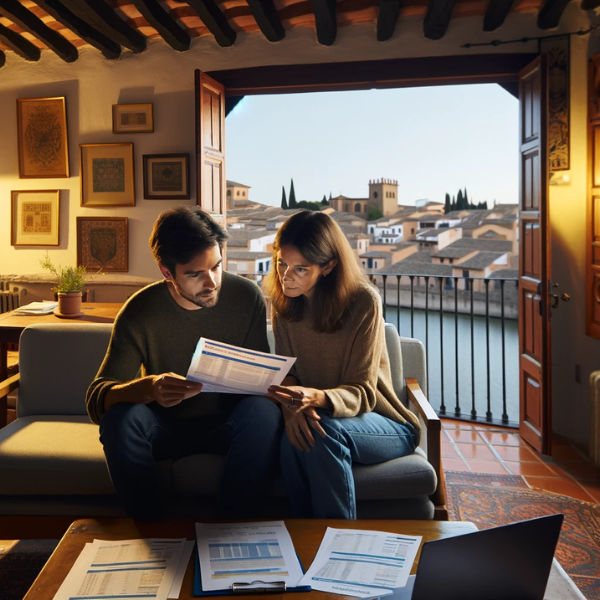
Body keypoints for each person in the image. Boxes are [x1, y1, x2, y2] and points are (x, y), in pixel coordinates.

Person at [86, 206, 282, 519]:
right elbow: (97, 397)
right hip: (164, 429)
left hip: (227, 426)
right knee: (118, 419)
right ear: (167, 272)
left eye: (217, 267)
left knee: (263, 412)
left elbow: (257, 381)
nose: (212, 282)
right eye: (195, 274)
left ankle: (230, 530)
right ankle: (153, 533)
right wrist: (147, 388)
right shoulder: (140, 311)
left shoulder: (246, 297)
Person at [263, 210, 421, 519]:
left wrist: (318, 398)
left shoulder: (363, 302)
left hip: (385, 422)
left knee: (323, 433)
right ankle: (304, 540)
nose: (285, 276)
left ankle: (341, 546)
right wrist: (291, 409)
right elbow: (289, 373)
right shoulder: (284, 306)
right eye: (281, 263)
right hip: (318, 415)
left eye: (300, 268)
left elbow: (363, 392)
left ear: (328, 266)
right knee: (293, 437)